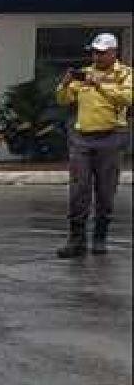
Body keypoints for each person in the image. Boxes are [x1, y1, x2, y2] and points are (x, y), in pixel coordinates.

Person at [55, 33, 132, 258]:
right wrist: (65, 83)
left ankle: (100, 237)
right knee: (79, 190)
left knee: (106, 191)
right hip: (82, 137)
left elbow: (127, 99)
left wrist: (100, 85)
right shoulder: (85, 73)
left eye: (101, 52)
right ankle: (76, 240)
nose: (96, 56)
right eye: (94, 52)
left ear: (113, 53)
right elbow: (63, 100)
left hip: (112, 137)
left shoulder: (125, 74)